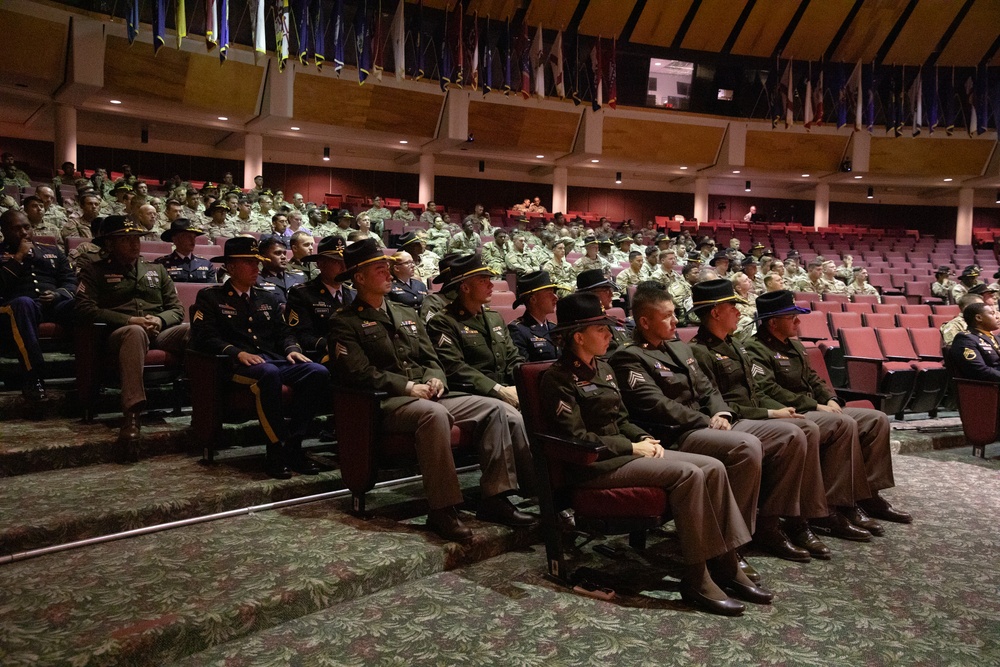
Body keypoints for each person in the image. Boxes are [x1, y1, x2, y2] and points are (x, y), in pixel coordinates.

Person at [541, 291, 770, 616]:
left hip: (627, 454)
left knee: (714, 467)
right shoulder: (558, 378)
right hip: (595, 465)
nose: (610, 334)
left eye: (608, 327)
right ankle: (696, 578)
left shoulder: (604, 369)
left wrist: (645, 437)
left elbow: (622, 420)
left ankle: (727, 562)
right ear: (578, 336)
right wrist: (632, 446)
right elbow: (575, 437)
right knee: (690, 473)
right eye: (601, 329)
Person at [328, 239, 537, 542]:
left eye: (388, 268)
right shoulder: (345, 321)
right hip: (388, 403)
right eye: (379, 269)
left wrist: (435, 377)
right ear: (359, 278)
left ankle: (496, 497)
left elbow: (431, 359)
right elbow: (358, 372)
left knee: (493, 409)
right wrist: (409, 386)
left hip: (428, 394)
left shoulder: (406, 313)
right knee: (434, 414)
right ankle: (443, 509)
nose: (388, 274)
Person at [688, 279, 834, 560]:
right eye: (733, 306)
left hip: (752, 415)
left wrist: (777, 410)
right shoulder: (699, 351)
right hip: (733, 421)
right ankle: (771, 525)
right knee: (795, 432)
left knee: (803, 428)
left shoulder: (736, 345)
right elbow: (720, 402)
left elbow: (755, 392)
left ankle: (792, 520)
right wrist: (769, 413)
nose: (739, 312)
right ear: (716, 312)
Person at [747, 290, 910, 534]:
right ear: (772, 322)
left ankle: (868, 495)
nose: (798, 322)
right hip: (790, 411)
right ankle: (832, 506)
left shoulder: (794, 344)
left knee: (875, 419)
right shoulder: (754, 348)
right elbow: (767, 389)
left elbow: (814, 379)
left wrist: (830, 399)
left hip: (815, 407)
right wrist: (814, 405)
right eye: (792, 317)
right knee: (842, 424)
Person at [191, 237, 330, 478]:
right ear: (231, 267)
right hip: (234, 365)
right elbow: (204, 336)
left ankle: (295, 445)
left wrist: (291, 349)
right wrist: (236, 352)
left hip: (271, 359)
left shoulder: (267, 296)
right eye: (249, 262)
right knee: (269, 374)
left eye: (257, 262)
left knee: (317, 372)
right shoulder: (211, 297)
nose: (256, 268)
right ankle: (276, 450)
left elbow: (284, 332)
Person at [75, 216, 189, 458]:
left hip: (159, 331)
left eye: (136, 238)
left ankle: (205, 406)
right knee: (136, 332)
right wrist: (129, 320)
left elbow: (177, 309)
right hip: (120, 334)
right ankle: (132, 416)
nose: (134, 244)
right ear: (109, 244)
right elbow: (84, 308)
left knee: (194, 330)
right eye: (125, 239)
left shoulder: (156, 269)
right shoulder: (95, 270)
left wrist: (159, 320)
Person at [0, 209, 77, 401]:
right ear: (4, 231)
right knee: (23, 304)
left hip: (52, 306)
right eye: (17, 229)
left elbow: (70, 282)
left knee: (82, 305)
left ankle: (92, 374)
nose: (24, 233)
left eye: (27, 227)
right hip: (13, 308)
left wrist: (58, 295)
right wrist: (18, 258)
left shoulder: (51, 251)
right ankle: (33, 378)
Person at [286, 236, 353, 361]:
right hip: (321, 354)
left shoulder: (352, 292)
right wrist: (329, 345)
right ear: (320, 264)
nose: (343, 267)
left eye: (345, 261)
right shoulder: (303, 293)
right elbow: (301, 334)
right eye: (336, 262)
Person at [507, 270, 558, 362]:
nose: (555, 297)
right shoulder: (518, 330)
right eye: (549, 293)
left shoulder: (554, 327)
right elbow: (523, 369)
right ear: (533, 299)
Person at [576, 269, 630, 353]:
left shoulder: (614, 321)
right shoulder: (584, 327)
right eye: (606, 291)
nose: (611, 294)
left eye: (610, 290)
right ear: (590, 295)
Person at [948, 302, 1000, 381]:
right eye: (992, 314)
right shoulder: (965, 339)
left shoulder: (994, 338)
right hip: (988, 386)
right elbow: (979, 370)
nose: (997, 317)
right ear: (979, 318)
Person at [154, 218, 217, 283]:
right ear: (175, 240)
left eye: (194, 237)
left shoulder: (206, 264)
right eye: (187, 237)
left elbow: (211, 290)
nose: (192, 241)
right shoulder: (161, 264)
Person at [256, 235, 305, 305]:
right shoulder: (257, 280)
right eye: (278, 253)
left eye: (284, 253)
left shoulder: (298, 277)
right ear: (264, 257)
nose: (283, 257)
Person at [386, 246, 428, 311]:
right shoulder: (389, 286)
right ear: (397, 268)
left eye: (412, 262)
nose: (413, 265)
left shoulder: (420, 285)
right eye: (408, 263)